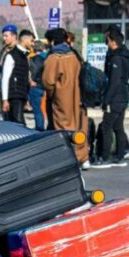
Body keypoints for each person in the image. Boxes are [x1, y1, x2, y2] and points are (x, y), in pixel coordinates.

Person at [42, 28, 88, 164]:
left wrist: (52, 95)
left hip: (61, 100)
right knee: (79, 128)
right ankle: (82, 157)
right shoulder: (75, 55)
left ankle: (67, 159)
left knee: (63, 130)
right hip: (79, 98)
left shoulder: (54, 58)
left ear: (52, 41)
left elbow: (48, 82)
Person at [91, 30, 129, 169]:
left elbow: (113, 82)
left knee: (107, 127)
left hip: (116, 98)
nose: (106, 43)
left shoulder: (116, 58)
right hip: (123, 96)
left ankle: (104, 157)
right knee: (118, 127)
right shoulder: (125, 55)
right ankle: (119, 156)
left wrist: (106, 100)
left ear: (113, 42)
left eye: (107, 40)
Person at [1, 29, 32, 125]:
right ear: (25, 40)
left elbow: (25, 79)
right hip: (14, 96)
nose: (33, 44)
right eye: (32, 41)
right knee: (19, 124)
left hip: (21, 95)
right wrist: (5, 99)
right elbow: (5, 78)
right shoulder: (11, 55)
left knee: (17, 124)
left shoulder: (24, 56)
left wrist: (26, 98)